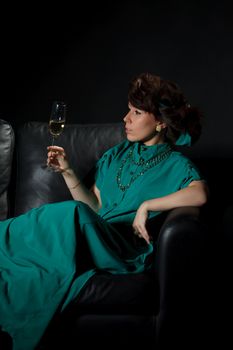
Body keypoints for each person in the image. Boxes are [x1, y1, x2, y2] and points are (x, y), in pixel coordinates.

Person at [0, 73, 208, 350]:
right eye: (128, 110)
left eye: (136, 112)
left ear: (159, 122)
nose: (126, 119)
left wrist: (147, 206)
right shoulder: (117, 154)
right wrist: (68, 171)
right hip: (95, 235)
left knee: (68, 213)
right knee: (68, 218)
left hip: (124, 248)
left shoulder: (176, 164)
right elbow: (93, 208)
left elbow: (201, 193)